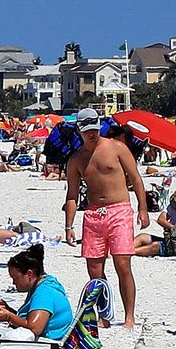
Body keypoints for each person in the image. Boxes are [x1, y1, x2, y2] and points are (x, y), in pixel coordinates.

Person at [61, 109, 149, 329]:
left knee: (122, 263)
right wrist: (68, 226)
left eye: (94, 129)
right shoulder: (76, 159)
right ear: (79, 132)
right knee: (95, 269)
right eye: (87, 131)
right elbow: (72, 195)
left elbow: (136, 179)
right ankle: (104, 314)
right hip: (93, 214)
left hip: (119, 209)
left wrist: (143, 208)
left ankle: (129, 315)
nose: (91, 134)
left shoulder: (117, 148)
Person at [133, 188, 176, 259]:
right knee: (142, 237)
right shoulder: (173, 207)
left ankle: (130, 252)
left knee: (155, 245)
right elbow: (161, 219)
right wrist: (174, 228)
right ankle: (124, 248)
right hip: (170, 240)